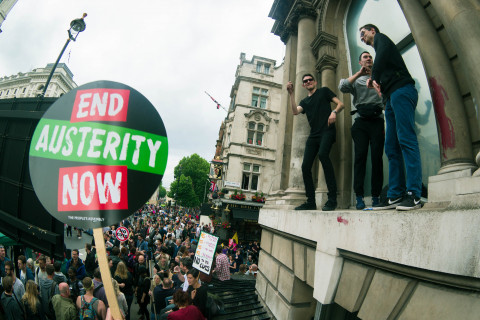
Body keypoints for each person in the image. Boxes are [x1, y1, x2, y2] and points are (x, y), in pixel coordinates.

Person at [360, 25, 423, 212]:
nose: (362, 38)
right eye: (361, 36)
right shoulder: (379, 55)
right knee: (391, 147)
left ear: (372, 30)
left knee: (406, 140)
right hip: (390, 99)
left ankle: (414, 194)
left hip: (402, 91)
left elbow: (384, 55)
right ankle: (396, 194)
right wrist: (380, 90)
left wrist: (374, 77)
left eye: (363, 33)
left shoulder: (381, 39)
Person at [287, 74, 344, 211]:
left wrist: (334, 112)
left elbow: (341, 104)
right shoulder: (305, 101)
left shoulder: (324, 91)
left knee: (323, 155)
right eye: (305, 81)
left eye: (310, 80)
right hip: (314, 135)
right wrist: (291, 94)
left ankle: (332, 199)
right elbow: (295, 111)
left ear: (315, 82)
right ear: (303, 85)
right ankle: (311, 202)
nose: (308, 82)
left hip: (327, 131)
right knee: (305, 166)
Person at [339, 51, 385, 209]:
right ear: (360, 62)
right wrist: (359, 73)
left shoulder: (379, 77)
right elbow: (342, 87)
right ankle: (359, 197)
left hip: (377, 121)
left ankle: (376, 196)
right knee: (360, 159)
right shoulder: (357, 79)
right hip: (361, 122)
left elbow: (385, 97)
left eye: (370, 57)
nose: (369, 59)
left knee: (377, 159)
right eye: (365, 57)